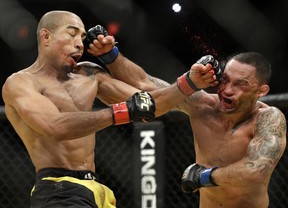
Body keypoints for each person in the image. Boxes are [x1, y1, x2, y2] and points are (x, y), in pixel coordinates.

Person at [1, 11, 216, 208]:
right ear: (46, 37)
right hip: (58, 191)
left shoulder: (89, 74)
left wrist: (189, 82)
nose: (79, 44)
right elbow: (55, 126)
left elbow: (148, 105)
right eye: (72, 34)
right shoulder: (21, 83)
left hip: (96, 190)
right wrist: (120, 112)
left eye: (82, 38)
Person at [90, 31, 287, 208]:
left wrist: (204, 176)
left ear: (262, 91)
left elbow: (256, 169)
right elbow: (145, 83)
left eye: (240, 85)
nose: (227, 90)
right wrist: (110, 56)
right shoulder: (202, 105)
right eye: (225, 80)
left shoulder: (268, 118)